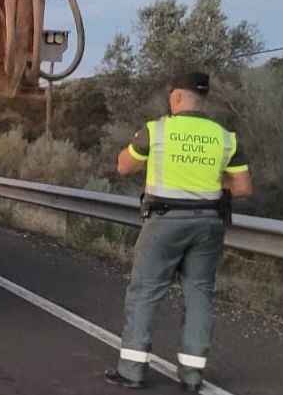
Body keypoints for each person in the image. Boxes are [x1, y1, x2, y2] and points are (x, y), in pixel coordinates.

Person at [103, 71, 252, 392]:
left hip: (164, 221)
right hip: (208, 225)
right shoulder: (225, 137)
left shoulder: (157, 130)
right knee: (199, 294)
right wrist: (210, 181)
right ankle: (192, 376)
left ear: (177, 97)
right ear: (203, 98)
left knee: (146, 291)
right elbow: (243, 188)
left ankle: (132, 370)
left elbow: (124, 167)